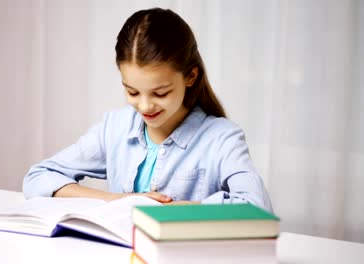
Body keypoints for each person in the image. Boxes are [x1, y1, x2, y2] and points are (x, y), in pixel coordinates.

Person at [23, 8, 273, 212]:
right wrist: (118, 201)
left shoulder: (222, 138)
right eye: (132, 92)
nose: (144, 106)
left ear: (190, 76)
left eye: (160, 93)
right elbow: (39, 177)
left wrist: (169, 210)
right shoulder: (115, 128)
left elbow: (257, 208)